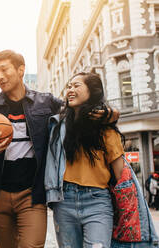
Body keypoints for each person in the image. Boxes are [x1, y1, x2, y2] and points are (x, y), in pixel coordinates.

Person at [0, 50, 118, 248]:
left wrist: (110, 113)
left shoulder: (46, 102)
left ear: (20, 70)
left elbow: (75, 112)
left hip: (32, 194)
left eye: (4, 70)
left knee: (32, 245)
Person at [45, 72, 125, 247]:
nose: (71, 90)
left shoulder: (106, 130)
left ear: (92, 91)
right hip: (64, 201)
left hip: (98, 201)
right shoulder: (58, 126)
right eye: (69, 86)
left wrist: (126, 209)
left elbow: (121, 175)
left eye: (77, 85)